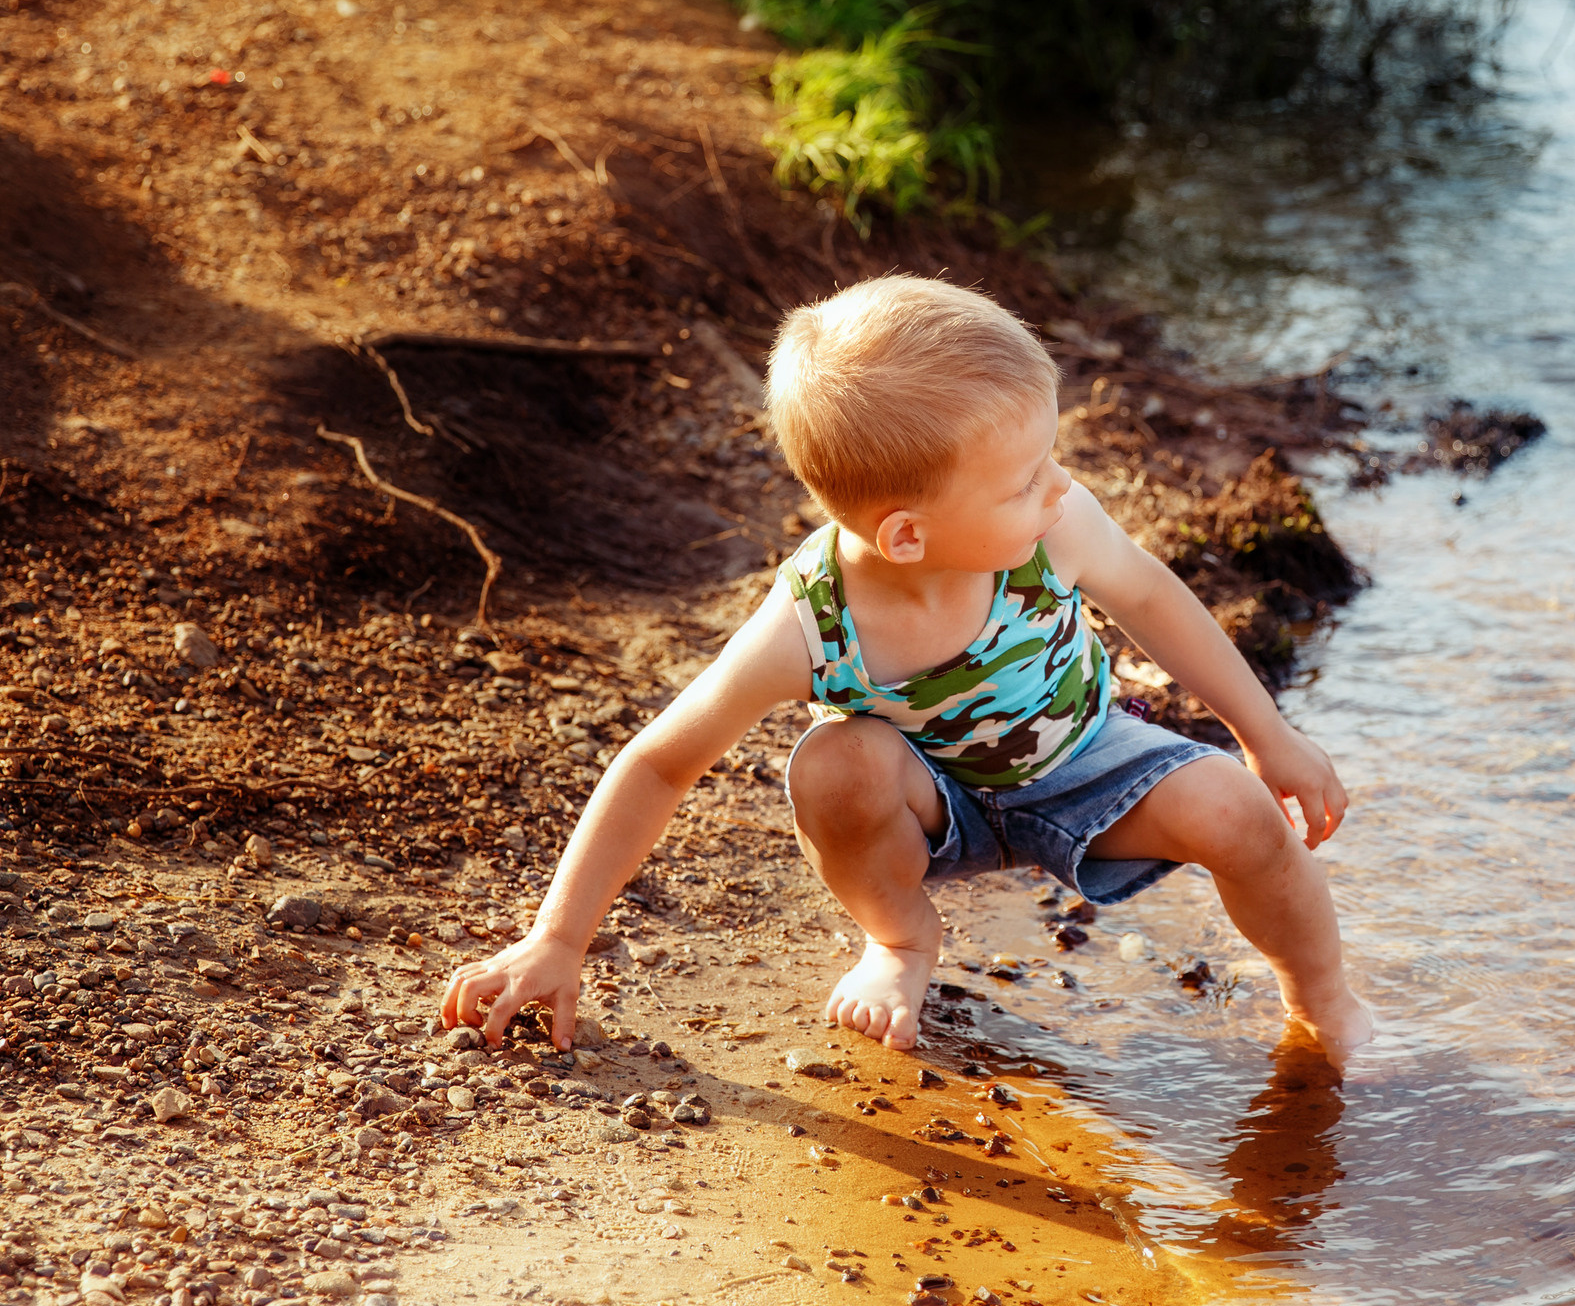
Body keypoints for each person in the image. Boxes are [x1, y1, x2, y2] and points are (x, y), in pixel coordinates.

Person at [440, 275, 1374, 1059]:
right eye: (1024, 480)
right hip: (933, 806)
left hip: (1083, 757)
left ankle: (1322, 1002)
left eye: (1053, 459)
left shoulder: (1059, 527)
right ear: (907, 533)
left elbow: (1157, 601)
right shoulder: (811, 620)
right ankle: (899, 936)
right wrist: (558, 938)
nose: (1060, 488)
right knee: (833, 763)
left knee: (1242, 815)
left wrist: (1269, 735)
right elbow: (658, 761)